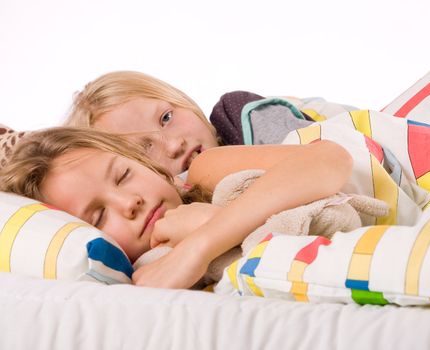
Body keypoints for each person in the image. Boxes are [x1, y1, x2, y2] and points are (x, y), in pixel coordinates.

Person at [0, 127, 352, 289]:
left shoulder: (202, 173)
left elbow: (329, 159)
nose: (130, 202)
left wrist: (203, 240)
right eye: (98, 215)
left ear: (142, 162)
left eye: (123, 175)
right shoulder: (143, 282)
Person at [64, 71, 318, 180]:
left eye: (166, 118)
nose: (174, 145)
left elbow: (326, 157)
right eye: (144, 150)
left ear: (182, 101)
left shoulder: (241, 118)